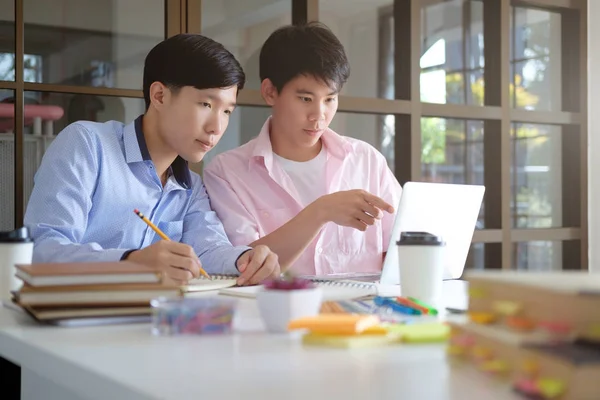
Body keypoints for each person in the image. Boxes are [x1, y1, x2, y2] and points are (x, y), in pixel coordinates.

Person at [24, 34, 280, 286]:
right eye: (205, 104)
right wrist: (130, 262)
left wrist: (245, 259)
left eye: (226, 111)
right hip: (69, 318)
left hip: (152, 321)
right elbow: (43, 250)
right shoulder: (87, 144)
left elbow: (208, 250)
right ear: (159, 96)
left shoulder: (190, 188)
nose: (217, 127)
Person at [203, 23, 402, 277]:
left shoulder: (366, 160)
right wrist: (321, 212)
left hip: (359, 314)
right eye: (306, 99)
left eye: (330, 99)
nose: (319, 116)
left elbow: (401, 246)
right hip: (275, 314)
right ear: (270, 92)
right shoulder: (226, 173)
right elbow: (247, 266)